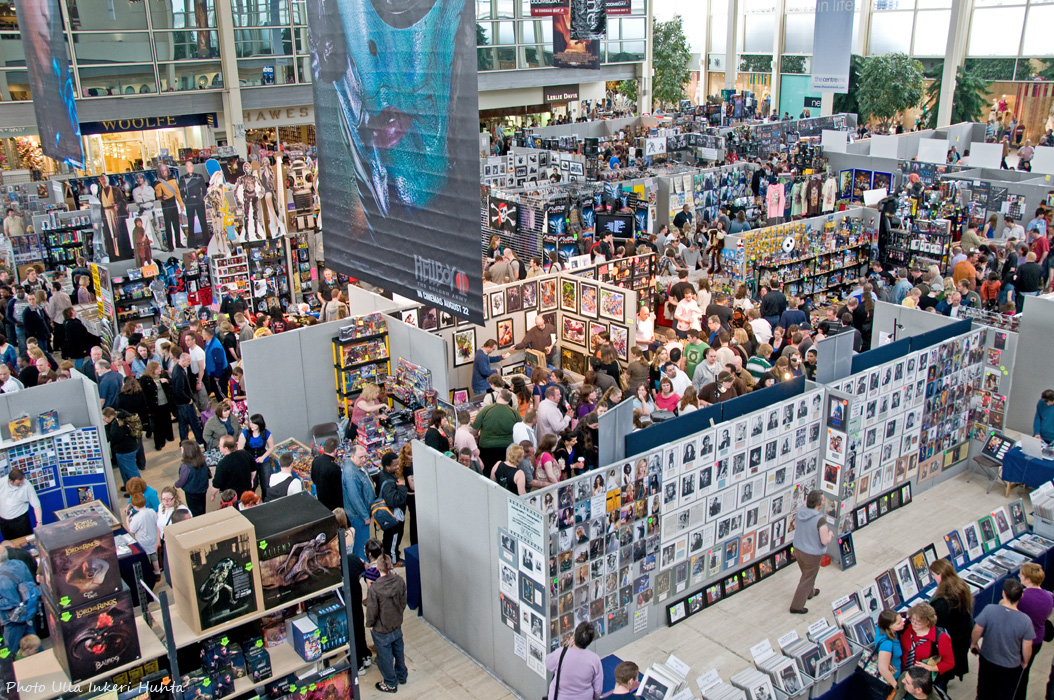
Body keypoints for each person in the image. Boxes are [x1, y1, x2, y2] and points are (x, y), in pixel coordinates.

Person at [972, 579, 1033, 700]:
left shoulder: (989, 609)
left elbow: (977, 630)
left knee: (984, 691)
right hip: (1010, 665)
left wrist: (974, 644)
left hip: (988, 659)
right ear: (1021, 596)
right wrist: (1025, 661)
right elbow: (1027, 646)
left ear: (1003, 593)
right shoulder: (1025, 620)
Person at [365, 552, 408, 693]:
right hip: (396, 623)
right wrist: (398, 614)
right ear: (390, 566)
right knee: (399, 649)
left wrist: (370, 624)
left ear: (377, 568)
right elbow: (403, 601)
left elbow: (372, 609)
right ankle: (402, 675)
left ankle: (390, 683)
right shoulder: (399, 581)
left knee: (385, 657)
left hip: (381, 628)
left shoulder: (375, 588)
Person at [927, 559, 973, 686]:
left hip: (949, 642)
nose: (933, 578)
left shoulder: (942, 602)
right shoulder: (961, 586)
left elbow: (938, 627)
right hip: (960, 638)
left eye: (934, 576)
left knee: (942, 678)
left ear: (940, 575)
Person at [790, 490, 832, 614]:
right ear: (819, 504)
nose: (824, 502)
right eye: (823, 500)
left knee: (807, 574)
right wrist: (830, 535)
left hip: (798, 549)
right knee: (807, 577)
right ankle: (796, 606)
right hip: (812, 554)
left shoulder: (800, 513)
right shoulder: (820, 520)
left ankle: (810, 592)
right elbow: (824, 541)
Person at [1015, 562, 1052, 700]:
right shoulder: (1049, 596)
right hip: (1037, 640)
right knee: (1025, 673)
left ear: (1028, 579)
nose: (1019, 576)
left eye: (1021, 575)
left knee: (1016, 675)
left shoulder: (1021, 597)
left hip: (1022, 641)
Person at [545, 622, 603, 700]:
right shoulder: (594, 659)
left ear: (574, 637)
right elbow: (598, 690)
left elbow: (548, 663)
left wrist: (567, 647)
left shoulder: (561, 653)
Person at [342, 444, 377, 561]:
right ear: (352, 456)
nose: (363, 460)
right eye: (360, 457)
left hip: (363, 512)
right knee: (362, 544)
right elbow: (355, 498)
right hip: (359, 516)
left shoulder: (357, 466)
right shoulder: (350, 474)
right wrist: (365, 516)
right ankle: (363, 565)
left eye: (365, 457)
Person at [0, 546, 37, 655]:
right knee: (33, 644)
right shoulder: (19, 563)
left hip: (13, 619)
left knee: (9, 652)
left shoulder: (2, 577)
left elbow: (12, 602)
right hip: (28, 610)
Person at [472, 389, 520, 470]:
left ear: (499, 396)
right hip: (506, 449)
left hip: (486, 448)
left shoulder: (486, 409)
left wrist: (476, 436)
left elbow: (474, 430)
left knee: (487, 471)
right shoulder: (514, 413)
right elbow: (520, 429)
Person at [377, 452, 408, 564]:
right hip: (393, 517)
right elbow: (395, 500)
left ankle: (389, 555)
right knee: (394, 538)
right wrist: (402, 487)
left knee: (388, 538)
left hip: (388, 516)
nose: (397, 467)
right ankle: (394, 561)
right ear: (387, 466)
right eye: (394, 465)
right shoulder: (388, 483)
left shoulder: (382, 474)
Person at [171, 353, 205, 445]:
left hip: (179, 403)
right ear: (183, 360)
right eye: (188, 361)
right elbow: (179, 390)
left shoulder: (176, 369)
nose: (190, 363)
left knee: (183, 424)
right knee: (194, 422)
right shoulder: (180, 373)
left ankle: (184, 442)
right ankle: (200, 441)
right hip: (185, 403)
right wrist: (188, 399)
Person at [123, 493, 160, 575]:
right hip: (153, 539)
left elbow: (132, 530)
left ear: (134, 506)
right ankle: (157, 572)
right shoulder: (152, 511)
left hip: (143, 542)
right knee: (155, 557)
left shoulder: (137, 517)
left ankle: (149, 574)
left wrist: (127, 521)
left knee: (146, 560)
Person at [0, 469, 41, 540]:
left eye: (22, 482)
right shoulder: (2, 482)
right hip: (4, 521)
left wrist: (39, 522)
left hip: (20, 521)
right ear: (10, 481)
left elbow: (36, 506)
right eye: (18, 483)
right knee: (9, 543)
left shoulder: (27, 485)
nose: (21, 484)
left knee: (25, 542)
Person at [141, 361, 174, 452]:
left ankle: (169, 436)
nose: (160, 370)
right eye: (158, 368)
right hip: (155, 406)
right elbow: (144, 394)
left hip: (165, 403)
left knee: (167, 421)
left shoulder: (163, 375)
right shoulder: (145, 379)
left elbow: (172, 381)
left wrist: (167, 381)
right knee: (158, 425)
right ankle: (159, 442)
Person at [105, 408, 142, 487]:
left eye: (105, 418)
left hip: (126, 451)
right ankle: (128, 486)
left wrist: (106, 428)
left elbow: (113, 437)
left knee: (131, 471)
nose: (104, 420)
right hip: (128, 448)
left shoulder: (116, 424)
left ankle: (138, 489)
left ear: (110, 416)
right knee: (124, 470)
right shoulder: (121, 417)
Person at [238, 414, 275, 488]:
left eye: (254, 423)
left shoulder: (266, 433)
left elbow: (271, 447)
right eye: (251, 422)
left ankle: (266, 499)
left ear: (259, 424)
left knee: (266, 484)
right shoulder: (245, 433)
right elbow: (240, 450)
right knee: (252, 485)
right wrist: (247, 460)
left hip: (263, 461)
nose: (251, 425)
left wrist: (263, 457)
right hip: (250, 462)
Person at [174, 440, 211, 516]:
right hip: (202, 489)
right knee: (201, 507)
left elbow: (182, 480)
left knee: (194, 510)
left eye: (182, 448)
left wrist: (176, 485)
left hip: (192, 492)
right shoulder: (202, 461)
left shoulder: (186, 466)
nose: (181, 449)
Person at [874, 609, 906, 689]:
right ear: (889, 626)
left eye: (901, 620)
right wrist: (896, 686)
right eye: (898, 623)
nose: (903, 623)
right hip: (891, 681)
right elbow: (883, 669)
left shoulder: (883, 628)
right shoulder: (887, 644)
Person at [310, 438, 343, 511]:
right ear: (335, 450)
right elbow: (338, 490)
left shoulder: (316, 460)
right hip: (334, 504)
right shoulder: (334, 468)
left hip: (321, 499)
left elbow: (313, 478)